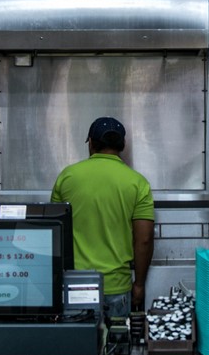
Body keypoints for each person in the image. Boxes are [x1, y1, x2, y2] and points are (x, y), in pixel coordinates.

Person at [50, 117, 154, 318]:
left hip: (75, 285)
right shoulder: (138, 183)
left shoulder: (67, 177)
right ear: (122, 145)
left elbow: (54, 233)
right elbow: (144, 239)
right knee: (116, 346)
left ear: (90, 143)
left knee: (77, 347)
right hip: (117, 286)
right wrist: (139, 284)